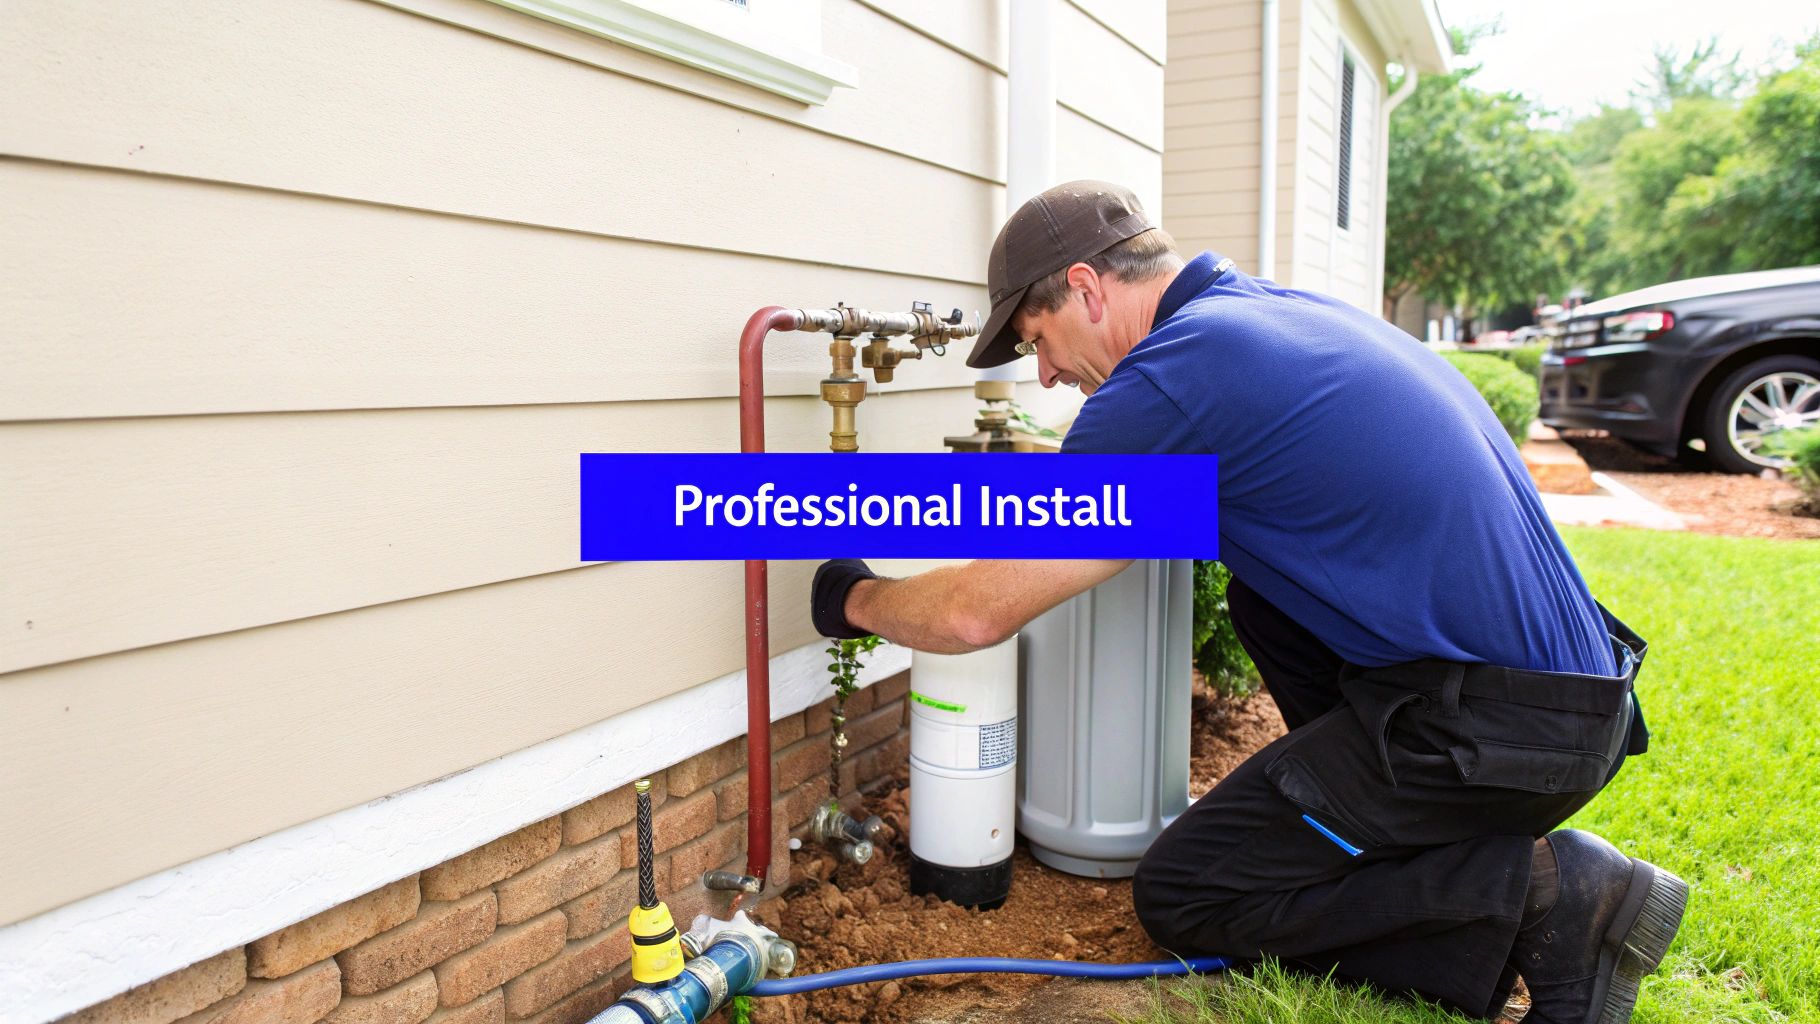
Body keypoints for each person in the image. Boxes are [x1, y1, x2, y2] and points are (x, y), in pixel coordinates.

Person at [807, 181, 1686, 1024]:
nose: (1044, 372)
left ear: (1085, 288)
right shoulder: (1271, 319)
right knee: (1266, 597)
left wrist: (854, 597)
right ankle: (1433, 861)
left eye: (1038, 339)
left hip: (1500, 735)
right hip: (1572, 708)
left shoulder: (1168, 380)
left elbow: (975, 614)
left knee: (1190, 892)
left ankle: (1544, 895)